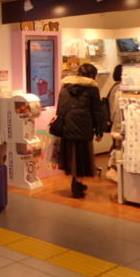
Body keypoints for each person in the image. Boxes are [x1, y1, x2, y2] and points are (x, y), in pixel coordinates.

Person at [55, 63, 106, 198]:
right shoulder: (92, 89)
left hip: (67, 126)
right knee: (82, 158)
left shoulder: (65, 86)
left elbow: (60, 108)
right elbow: (97, 111)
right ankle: (77, 185)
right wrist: (99, 130)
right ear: (92, 75)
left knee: (71, 156)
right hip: (83, 128)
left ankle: (75, 182)